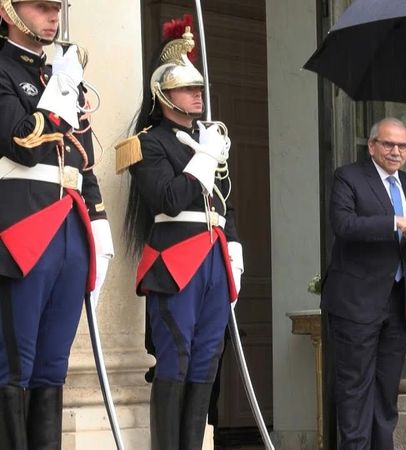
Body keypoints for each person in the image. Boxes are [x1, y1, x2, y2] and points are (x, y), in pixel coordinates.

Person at [116, 15, 243, 449]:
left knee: (207, 360)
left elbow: (225, 204)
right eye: (188, 89)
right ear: (164, 95)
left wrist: (236, 253)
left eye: (198, 89)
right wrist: (204, 158)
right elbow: (167, 199)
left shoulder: (209, 138)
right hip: (176, 260)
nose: (197, 95)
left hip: (213, 257)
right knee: (177, 359)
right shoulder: (149, 143)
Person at [0, 1, 114, 448]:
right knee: (14, 365)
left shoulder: (58, 75)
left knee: (52, 366)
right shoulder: (5, 70)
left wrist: (99, 223)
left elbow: (84, 160)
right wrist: (61, 95)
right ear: (8, 10)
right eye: (41, 7)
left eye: (56, 8)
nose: (53, 16)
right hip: (21, 227)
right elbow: (21, 140)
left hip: (70, 228)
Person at [321, 117, 406, 449]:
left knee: (386, 392)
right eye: (388, 144)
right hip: (356, 301)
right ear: (371, 146)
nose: (396, 151)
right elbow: (344, 225)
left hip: (399, 303)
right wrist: (394, 222)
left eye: (402, 146)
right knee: (354, 391)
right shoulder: (349, 177)